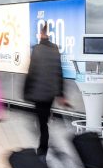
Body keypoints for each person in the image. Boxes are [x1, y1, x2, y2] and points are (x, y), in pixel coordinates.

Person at [23, 24, 70, 157]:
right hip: (50, 93)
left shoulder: (37, 49)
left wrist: (26, 91)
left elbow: (31, 72)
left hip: (38, 93)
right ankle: (45, 144)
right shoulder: (55, 49)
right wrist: (61, 94)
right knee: (44, 120)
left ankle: (43, 148)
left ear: (41, 35)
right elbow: (59, 72)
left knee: (42, 122)